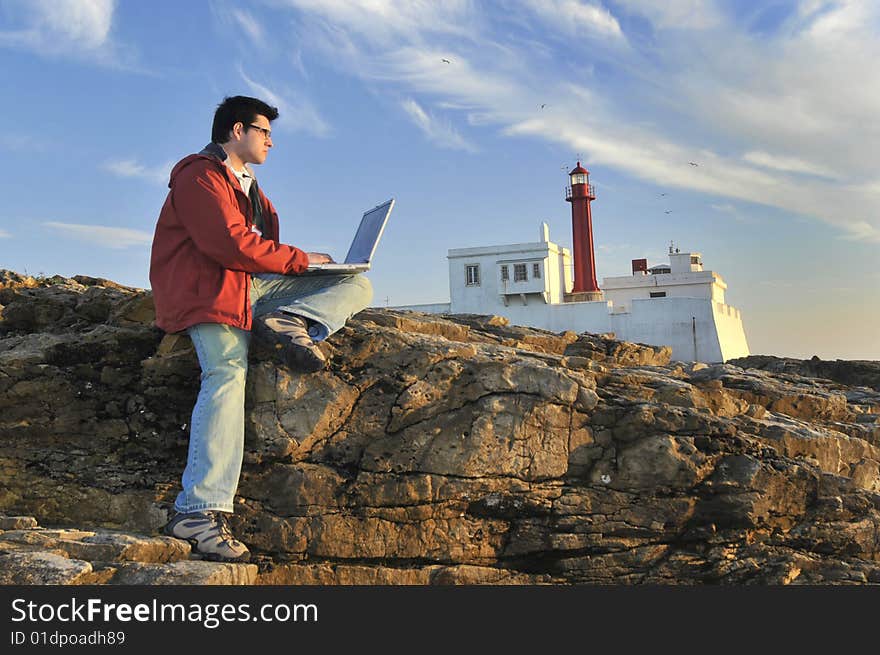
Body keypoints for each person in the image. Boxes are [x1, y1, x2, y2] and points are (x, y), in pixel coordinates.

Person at [149, 95, 372, 562]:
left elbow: (259, 251)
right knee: (227, 371)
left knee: (356, 283)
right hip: (206, 293)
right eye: (264, 131)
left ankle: (292, 320)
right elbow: (231, 244)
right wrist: (304, 258)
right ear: (236, 130)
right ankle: (196, 511)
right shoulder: (200, 175)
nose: (271, 140)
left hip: (247, 289)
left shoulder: (249, 185)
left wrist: (314, 268)